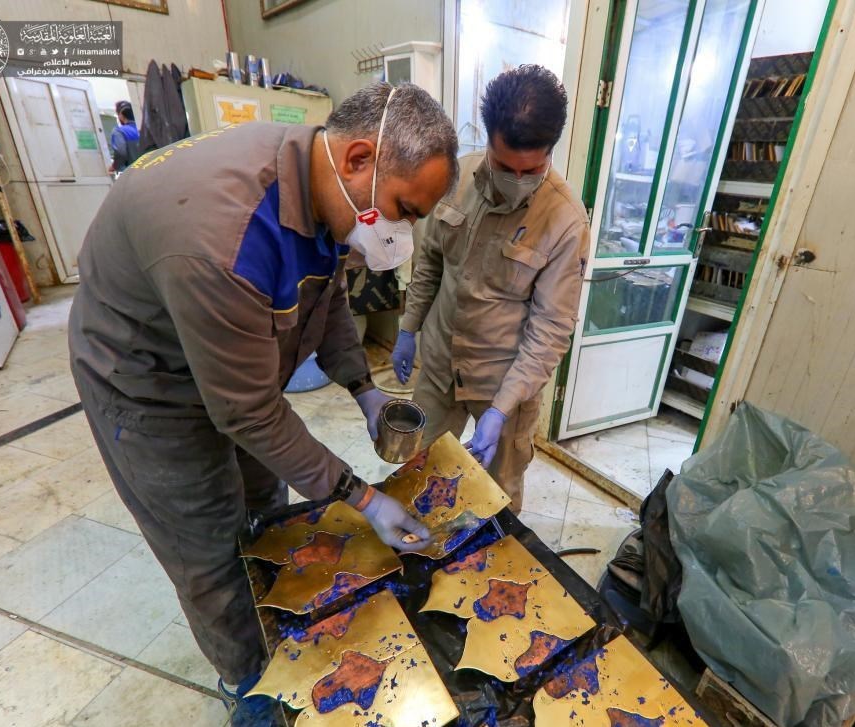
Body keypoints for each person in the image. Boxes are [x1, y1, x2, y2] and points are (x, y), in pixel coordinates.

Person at [69, 82, 458, 727]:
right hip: (148, 380)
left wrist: (362, 388)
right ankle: (252, 681)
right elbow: (246, 413)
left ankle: (282, 620)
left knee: (265, 506)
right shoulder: (224, 238)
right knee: (210, 546)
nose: (403, 230)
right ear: (360, 158)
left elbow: (325, 295)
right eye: (404, 210)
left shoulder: (322, 183)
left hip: (230, 361)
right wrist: (363, 498)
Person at [392, 65, 590, 514]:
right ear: (488, 140)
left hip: (504, 383)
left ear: (550, 150)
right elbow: (431, 261)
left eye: (531, 170)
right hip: (440, 363)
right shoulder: (456, 178)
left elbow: (550, 330)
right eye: (503, 166)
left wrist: (502, 409)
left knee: (498, 498)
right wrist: (408, 327)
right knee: (417, 473)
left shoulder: (566, 222)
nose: (516, 179)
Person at [108, 100, 141, 173]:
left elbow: (121, 153)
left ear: (121, 115)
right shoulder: (142, 129)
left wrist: (114, 167)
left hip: (133, 173)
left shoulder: (119, 131)